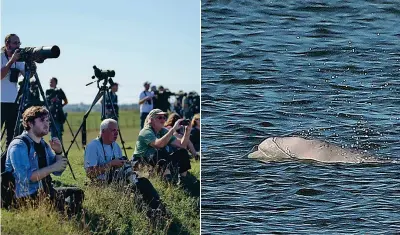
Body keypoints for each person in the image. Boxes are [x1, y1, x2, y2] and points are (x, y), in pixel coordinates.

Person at [4, 106, 83, 213]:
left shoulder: (43, 144)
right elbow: (26, 178)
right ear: (30, 123)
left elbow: (57, 171)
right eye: (42, 120)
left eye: (47, 120)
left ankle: (60, 207)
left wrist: (58, 152)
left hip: (44, 191)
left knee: (78, 193)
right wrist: (53, 167)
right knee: (68, 209)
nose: (47, 124)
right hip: (26, 196)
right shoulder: (19, 146)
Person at [84, 119, 165, 214]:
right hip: (103, 182)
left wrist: (124, 164)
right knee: (135, 187)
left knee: (143, 182)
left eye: (117, 131)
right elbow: (90, 173)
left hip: (119, 178)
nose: (116, 133)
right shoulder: (93, 146)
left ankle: (159, 208)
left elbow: (119, 166)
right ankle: (148, 212)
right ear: (103, 131)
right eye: (113, 130)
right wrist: (111, 164)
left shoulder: (116, 146)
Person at [132, 109, 193, 185]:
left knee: (182, 152)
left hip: (156, 161)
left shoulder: (163, 131)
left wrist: (188, 131)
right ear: (151, 120)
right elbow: (158, 144)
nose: (163, 119)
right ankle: (168, 181)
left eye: (164, 117)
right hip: (142, 162)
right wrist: (173, 129)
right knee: (159, 152)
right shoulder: (146, 131)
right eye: (160, 117)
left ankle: (183, 181)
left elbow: (182, 145)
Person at [1, 34, 25, 147]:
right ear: (7, 44)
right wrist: (11, 61)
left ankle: (6, 163)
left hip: (13, 102)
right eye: (15, 43)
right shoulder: (1, 57)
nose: (18, 46)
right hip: (1, 102)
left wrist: (30, 64)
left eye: (19, 43)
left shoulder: (19, 59)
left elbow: (27, 76)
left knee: (12, 137)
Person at [45, 77, 68, 142]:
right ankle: (54, 148)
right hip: (51, 115)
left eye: (52, 82)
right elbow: (47, 102)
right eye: (50, 82)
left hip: (58, 116)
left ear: (55, 83)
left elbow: (66, 101)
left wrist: (60, 106)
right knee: (52, 133)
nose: (50, 83)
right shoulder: (48, 91)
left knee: (58, 132)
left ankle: (59, 148)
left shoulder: (59, 91)